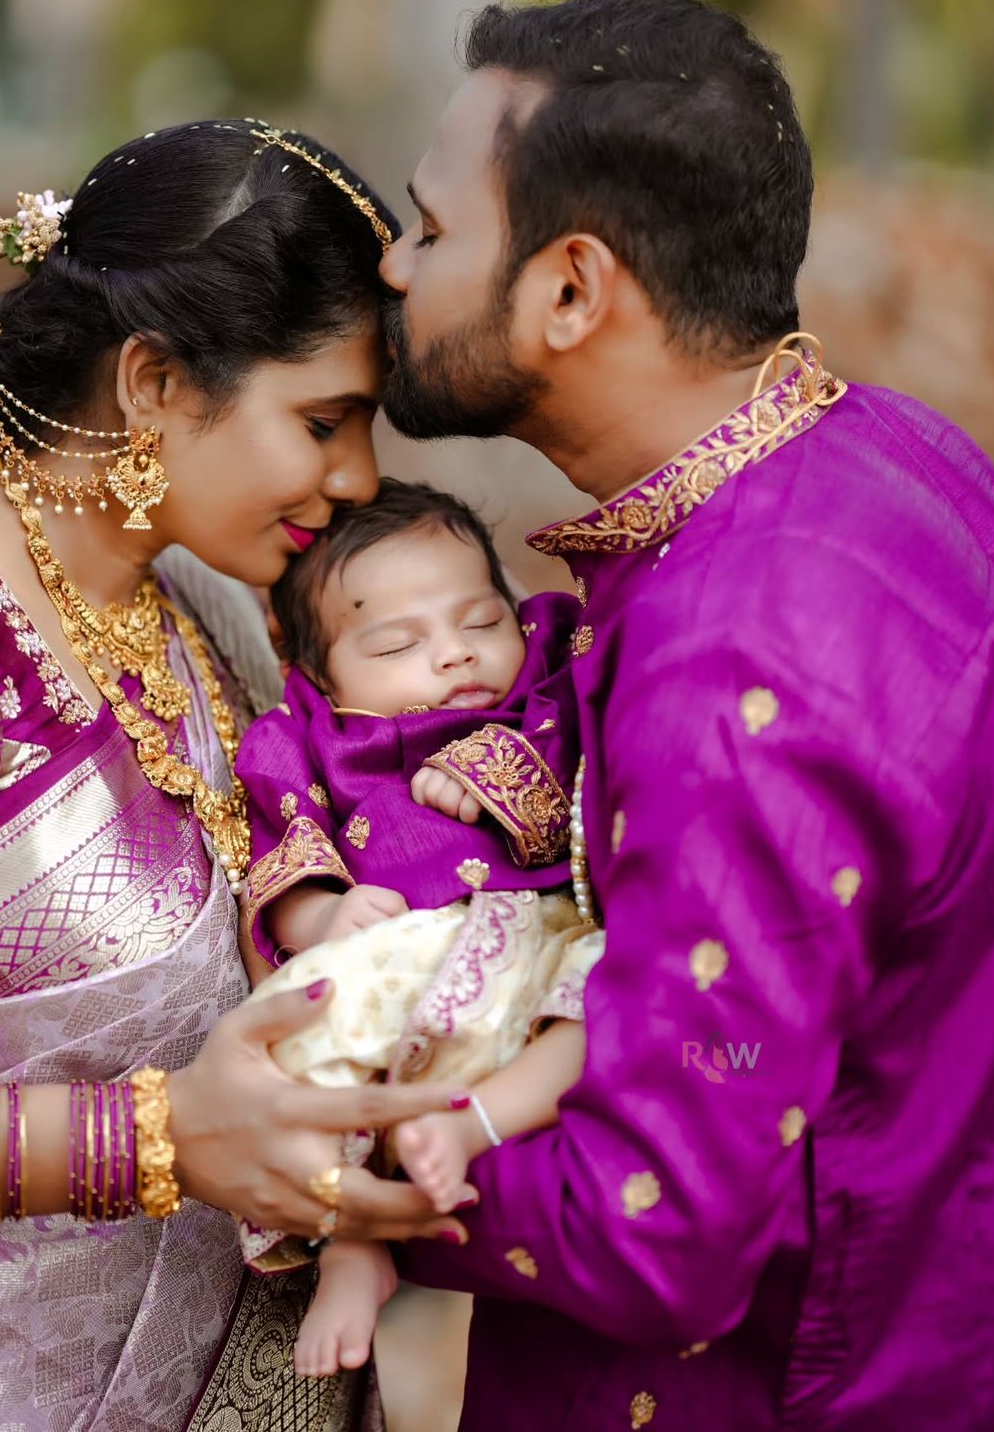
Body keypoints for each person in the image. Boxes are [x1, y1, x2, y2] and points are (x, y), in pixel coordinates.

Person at [378, 0, 994, 1432]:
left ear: (570, 290)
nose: (391, 262)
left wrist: (307, 1161)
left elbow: (650, 1227)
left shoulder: (736, 660)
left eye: (428, 229)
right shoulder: (900, 452)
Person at [0, 120, 473, 1432]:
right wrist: (152, 1140)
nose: (356, 481)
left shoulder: (196, 609)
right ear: (155, 383)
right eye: (324, 420)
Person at [232, 477, 603, 1378]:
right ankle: (354, 1244)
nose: (454, 657)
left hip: (536, 935)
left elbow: (589, 736)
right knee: (306, 1037)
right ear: (320, 673)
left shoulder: (541, 685)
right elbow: (283, 843)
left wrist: (507, 767)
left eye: (483, 621)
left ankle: (472, 1125)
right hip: (401, 959)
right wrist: (324, 912)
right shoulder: (303, 734)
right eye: (398, 642)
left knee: (606, 993)